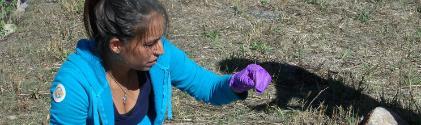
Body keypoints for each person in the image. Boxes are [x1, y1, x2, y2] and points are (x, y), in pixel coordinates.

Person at [49, 0, 272, 124]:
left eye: (160, 39)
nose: (160, 50)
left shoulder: (160, 58)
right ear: (116, 45)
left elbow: (207, 87)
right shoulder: (75, 83)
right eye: (149, 43)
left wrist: (236, 83)